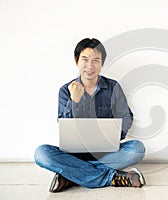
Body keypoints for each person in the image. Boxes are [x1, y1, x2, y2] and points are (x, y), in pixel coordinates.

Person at [34, 38, 146, 193]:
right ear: (76, 60)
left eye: (96, 61)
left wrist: (112, 137)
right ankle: (111, 177)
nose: (90, 66)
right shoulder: (66, 90)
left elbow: (127, 117)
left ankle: (71, 175)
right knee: (41, 153)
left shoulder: (113, 87)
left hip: (106, 154)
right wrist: (74, 100)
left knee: (137, 149)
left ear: (102, 63)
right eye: (85, 60)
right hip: (73, 155)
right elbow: (64, 124)